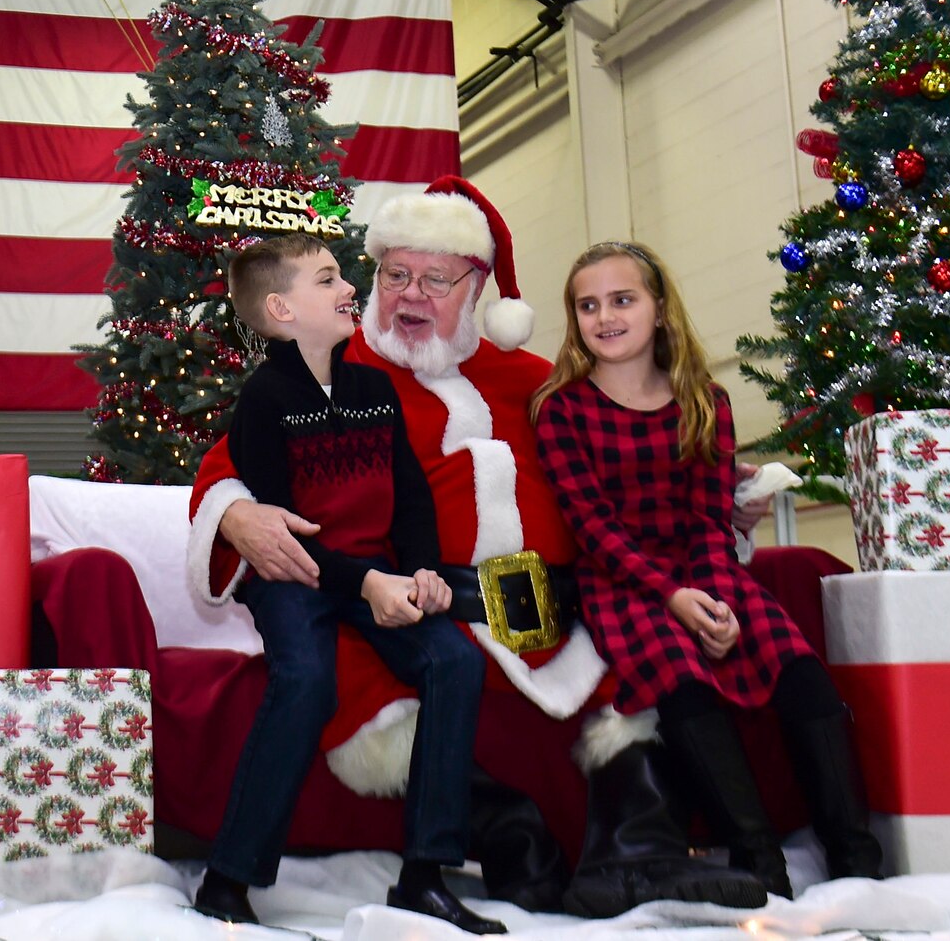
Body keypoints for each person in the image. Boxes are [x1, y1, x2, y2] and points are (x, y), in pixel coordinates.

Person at [189, 178, 764, 917]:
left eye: (436, 278)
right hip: (417, 604)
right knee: (384, 699)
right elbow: (224, 468)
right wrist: (237, 515)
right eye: (394, 274)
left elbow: (633, 467)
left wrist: (722, 497)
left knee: (635, 667)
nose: (410, 295)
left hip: (558, 613)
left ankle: (636, 853)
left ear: (480, 286)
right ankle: (512, 843)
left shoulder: (539, 381)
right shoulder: (330, 369)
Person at [530, 240, 884, 898]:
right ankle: (759, 861)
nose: (604, 315)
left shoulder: (704, 398)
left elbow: (707, 519)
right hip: (624, 582)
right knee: (683, 678)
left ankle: (856, 859)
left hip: (704, 566)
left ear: (660, 309)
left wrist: (717, 599)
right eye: (588, 305)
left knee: (799, 670)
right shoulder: (563, 408)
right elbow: (594, 528)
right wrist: (674, 598)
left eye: (622, 299)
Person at [192, 234, 503, 935]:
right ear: (281, 309)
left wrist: (420, 566)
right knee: (305, 681)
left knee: (454, 659)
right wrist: (365, 582)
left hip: (373, 569)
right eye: (328, 277)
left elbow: (412, 493)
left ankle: (425, 874)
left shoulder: (373, 388)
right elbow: (285, 531)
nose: (348, 287)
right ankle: (227, 876)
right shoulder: (265, 399)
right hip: (296, 577)